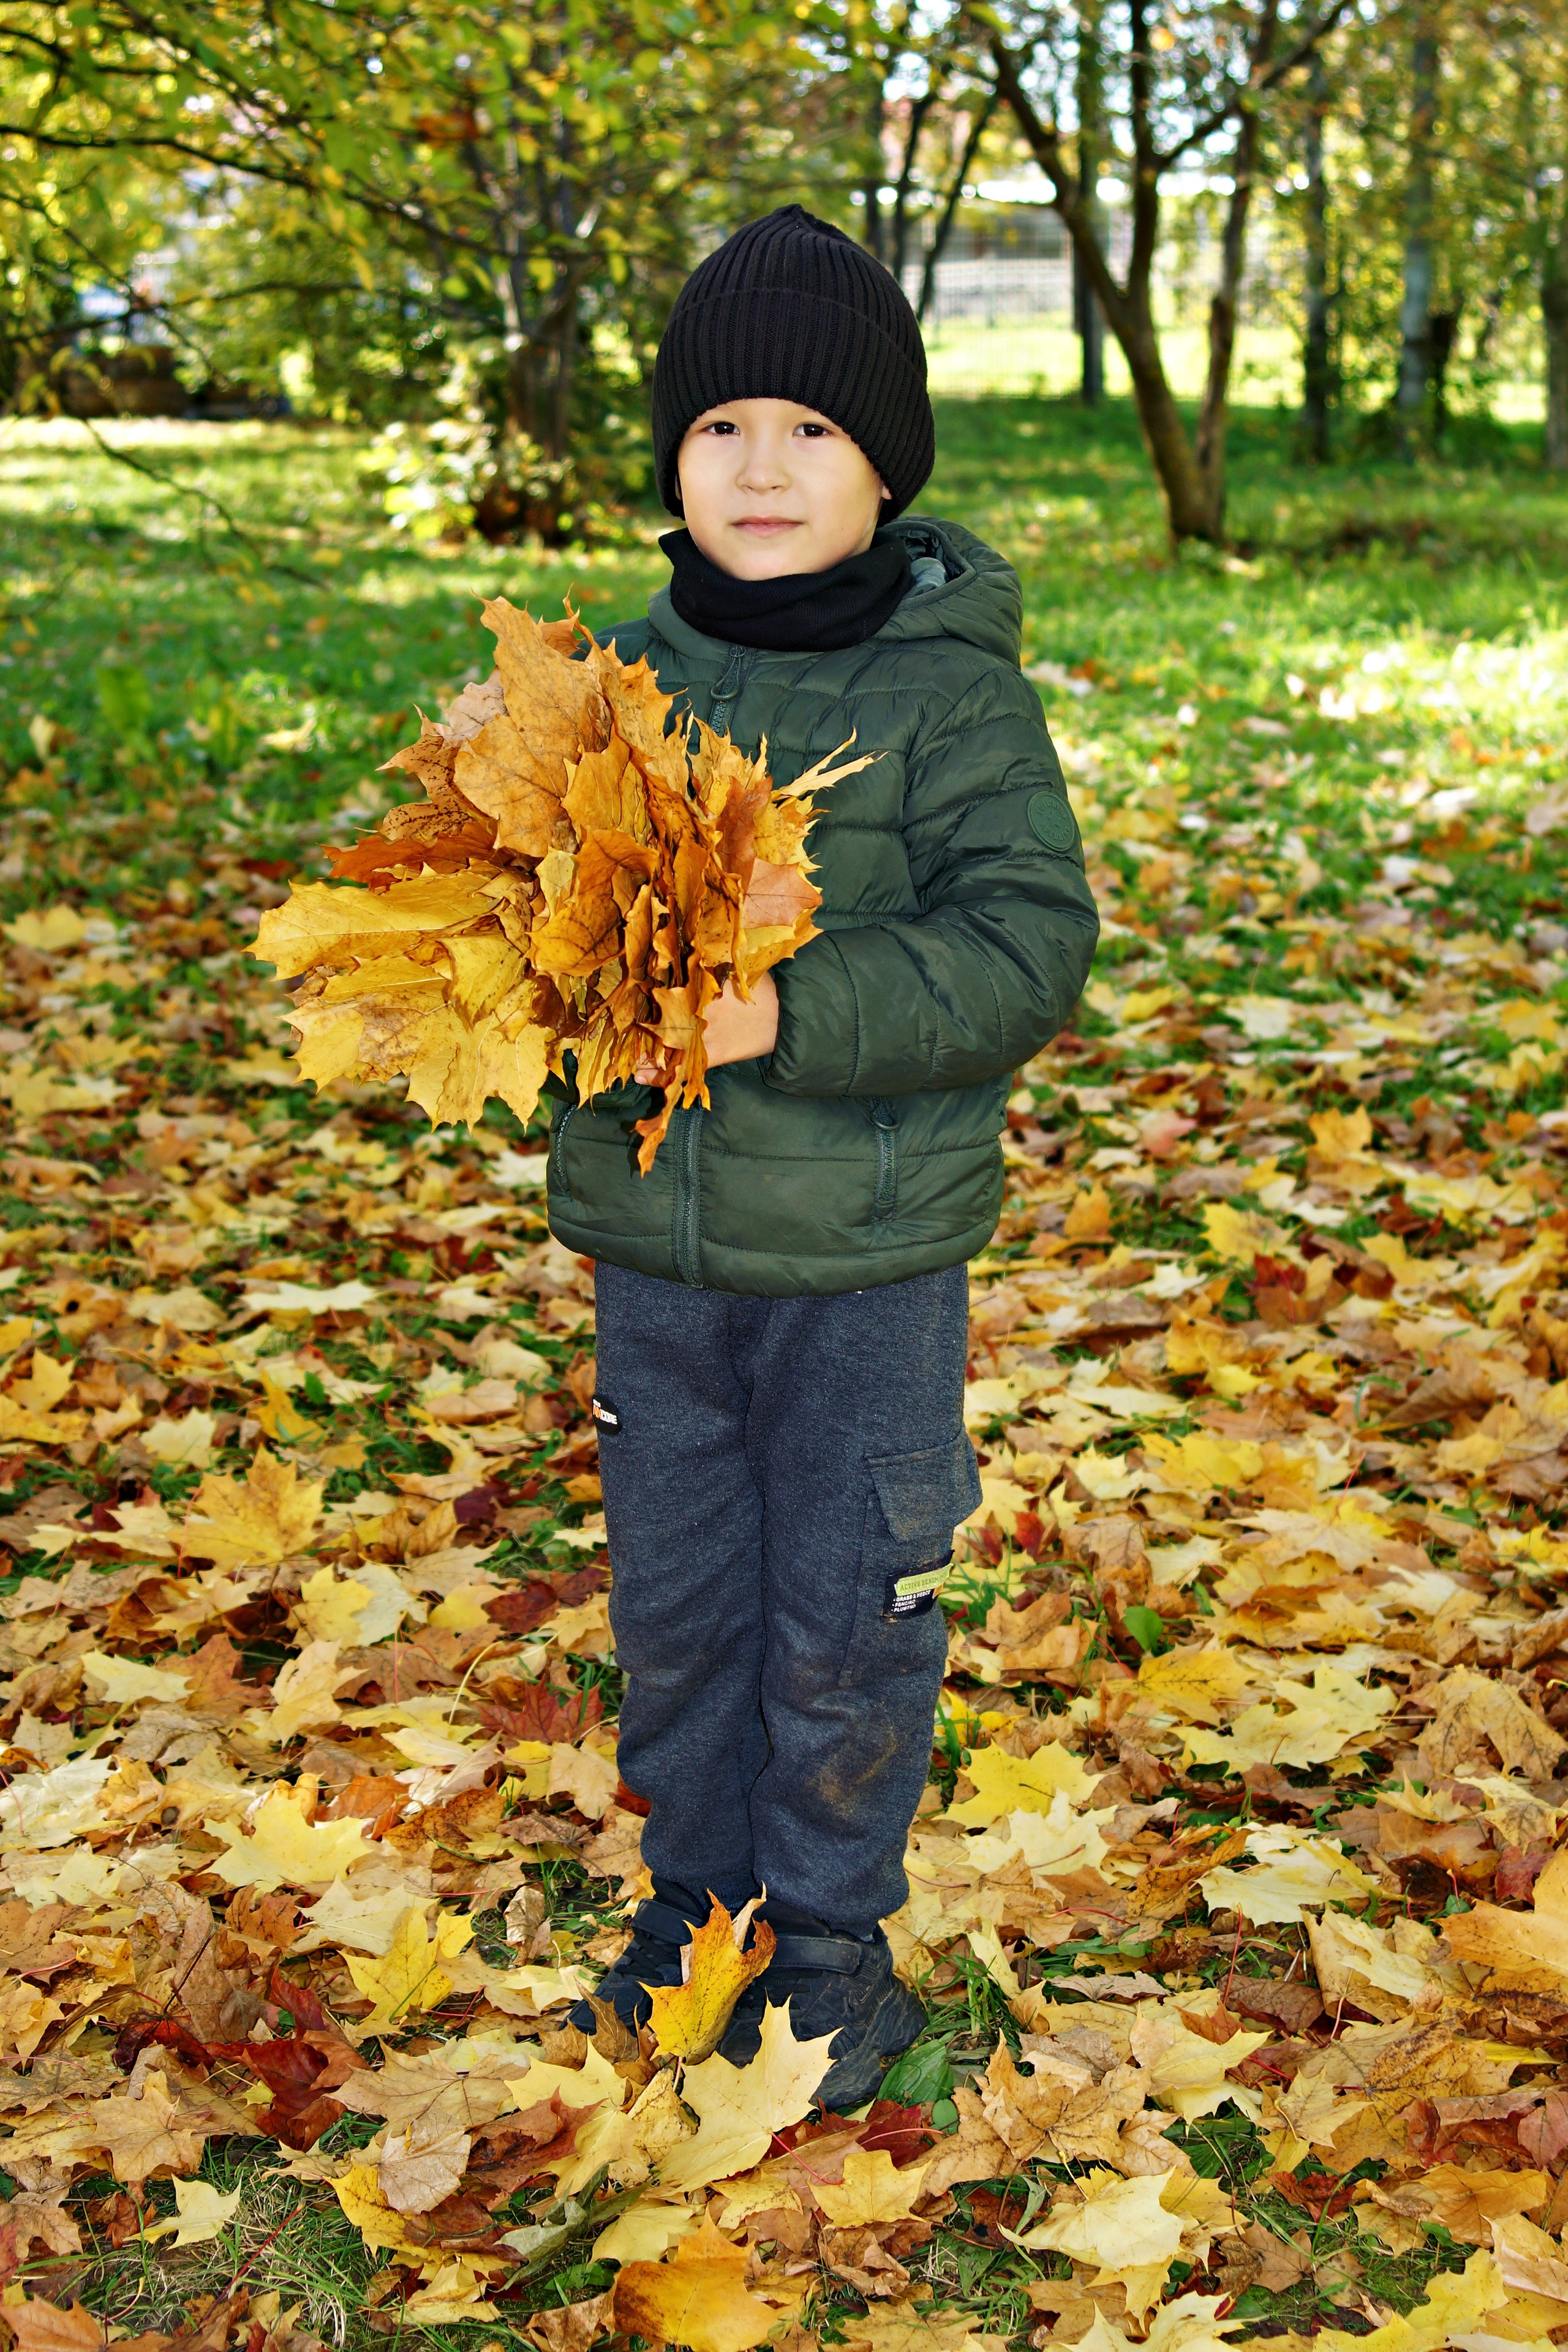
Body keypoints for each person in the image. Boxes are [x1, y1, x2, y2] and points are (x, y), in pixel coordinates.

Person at [557, 205, 1098, 2107]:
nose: (763, 467)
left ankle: (831, 1949)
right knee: (683, 1608)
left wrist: (787, 1009)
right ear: (673, 462)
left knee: (848, 1608)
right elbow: (541, 931)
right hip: (661, 1259)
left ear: (886, 467)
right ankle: (696, 1917)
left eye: (811, 429)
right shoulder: (607, 690)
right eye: (721, 429)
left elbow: (1026, 943)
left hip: (867, 1261)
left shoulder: (953, 693)